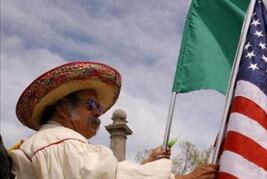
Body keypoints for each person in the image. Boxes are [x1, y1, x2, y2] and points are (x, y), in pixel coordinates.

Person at [8, 61, 218, 179]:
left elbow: (102, 173)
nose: (98, 113)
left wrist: (146, 165)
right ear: (63, 109)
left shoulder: (49, 143)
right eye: (90, 105)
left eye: (99, 107)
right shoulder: (60, 141)